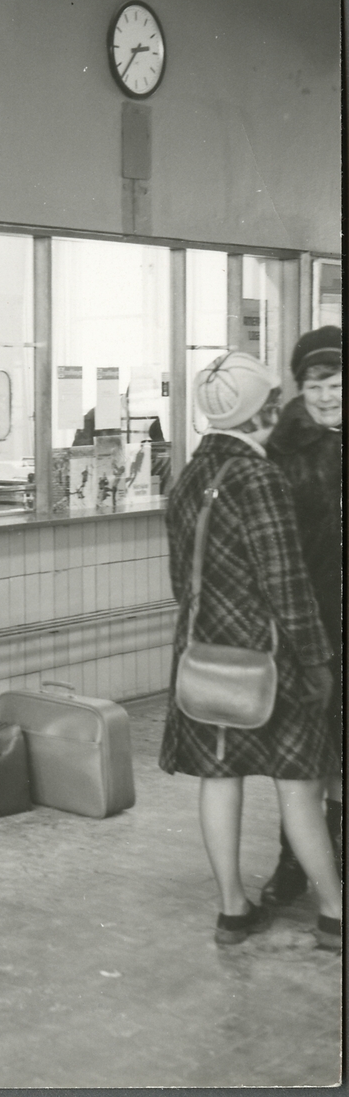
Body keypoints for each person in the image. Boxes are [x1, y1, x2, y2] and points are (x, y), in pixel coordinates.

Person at [158, 352, 341, 951]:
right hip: (270, 658)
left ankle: (233, 910)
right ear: (257, 411)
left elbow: (181, 579)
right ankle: (335, 913)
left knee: (220, 777)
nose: (279, 409)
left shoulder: (189, 475)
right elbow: (286, 583)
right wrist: (316, 659)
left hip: (205, 657)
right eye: (272, 401)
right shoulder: (260, 479)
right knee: (298, 783)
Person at [259, 326, 343, 906]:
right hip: (309, 621)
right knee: (304, 751)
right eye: (315, 386)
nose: (326, 396)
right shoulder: (282, 449)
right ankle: (293, 860)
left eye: (336, 383)